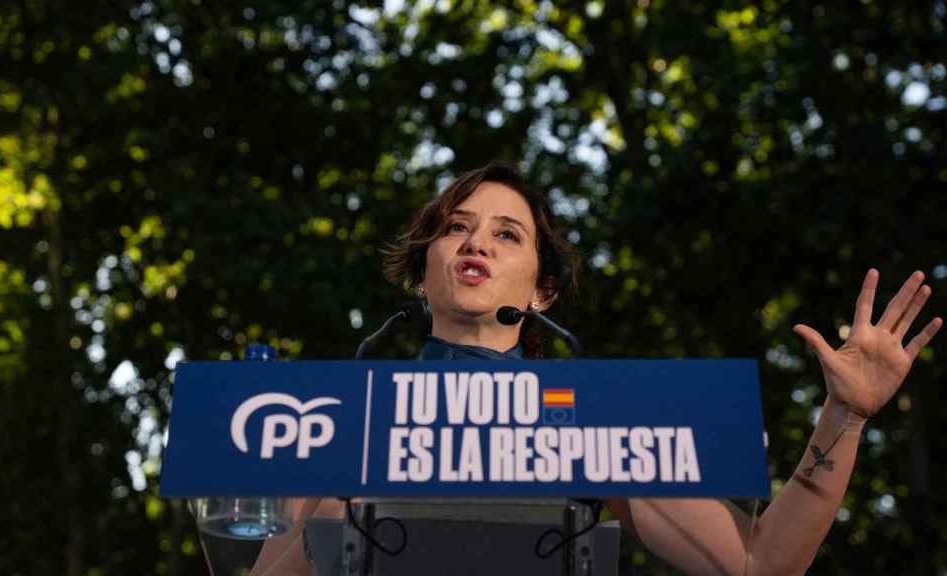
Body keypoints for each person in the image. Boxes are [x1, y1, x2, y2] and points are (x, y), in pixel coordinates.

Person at [253, 160, 942, 576]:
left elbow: (761, 564)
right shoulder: (329, 424)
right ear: (423, 271)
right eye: (456, 227)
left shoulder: (591, 422)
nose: (476, 243)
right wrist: (345, 490)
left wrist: (844, 416)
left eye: (506, 234)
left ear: (541, 291)